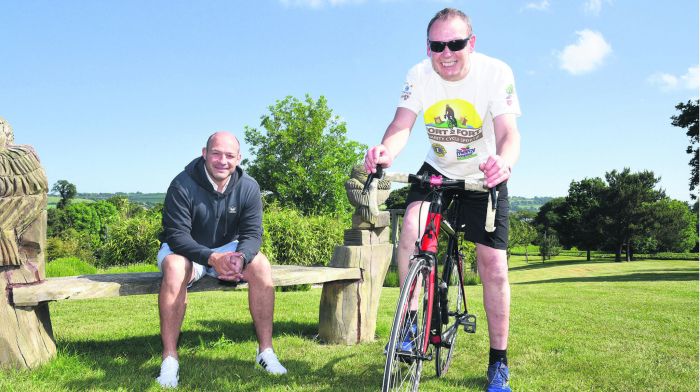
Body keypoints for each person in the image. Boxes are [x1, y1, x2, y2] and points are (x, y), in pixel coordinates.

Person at [364, 8, 520, 392]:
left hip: (483, 173)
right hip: (436, 168)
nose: (446, 52)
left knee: (493, 264)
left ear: (472, 42)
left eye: (455, 43)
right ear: (428, 46)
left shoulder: (495, 72)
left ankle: (498, 361)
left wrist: (504, 162)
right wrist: (385, 150)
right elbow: (401, 124)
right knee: (411, 233)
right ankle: (411, 325)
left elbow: (508, 132)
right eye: (437, 45)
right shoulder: (419, 75)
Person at [156, 131, 287, 388]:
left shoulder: (248, 186)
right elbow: (177, 236)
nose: (222, 161)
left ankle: (265, 352)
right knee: (173, 266)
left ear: (238, 158)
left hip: (227, 249)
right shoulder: (182, 184)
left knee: (260, 264)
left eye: (229, 155)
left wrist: (241, 257)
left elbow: (252, 234)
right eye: (216, 153)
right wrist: (212, 257)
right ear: (204, 154)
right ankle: (169, 359)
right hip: (186, 250)